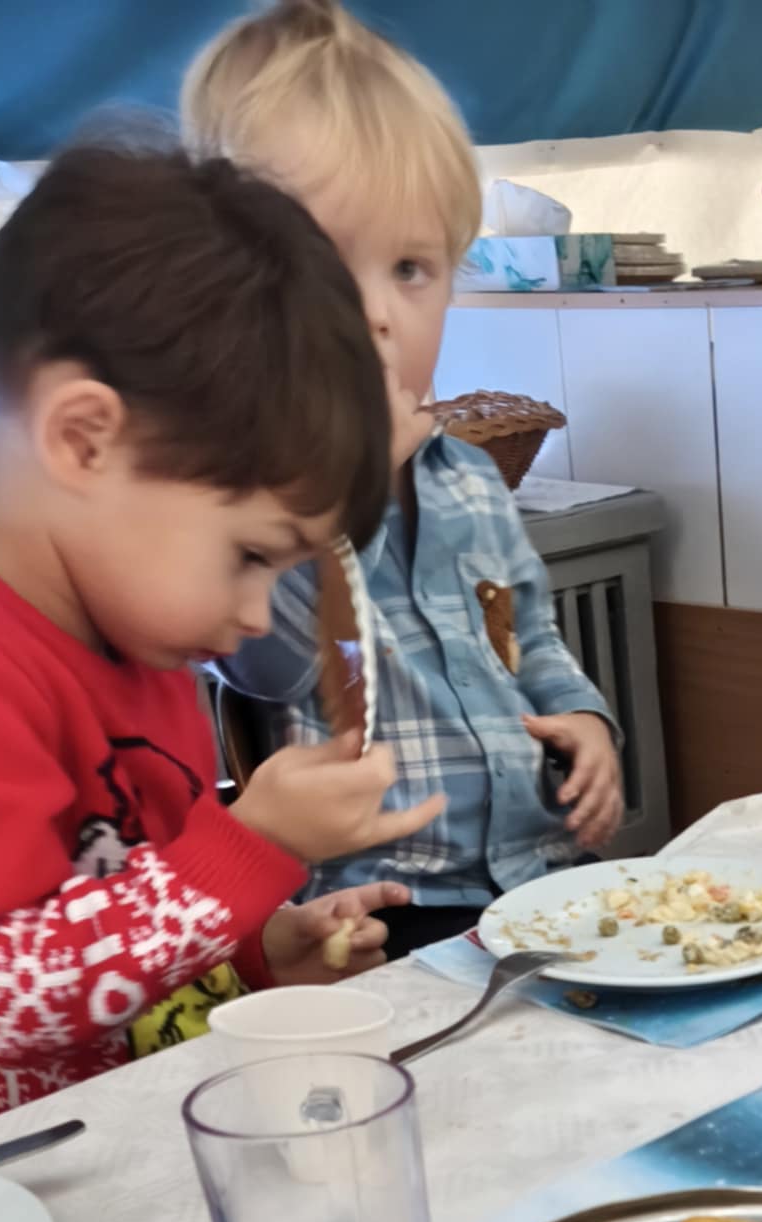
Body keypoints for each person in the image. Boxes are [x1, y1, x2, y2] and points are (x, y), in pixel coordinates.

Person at [0, 143, 442, 1137]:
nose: (253, 615)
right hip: (34, 1191)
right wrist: (253, 847)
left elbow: (130, 932)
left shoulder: (143, 643)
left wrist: (261, 948)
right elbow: (1, 998)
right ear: (83, 439)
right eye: (249, 555)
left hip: (166, 1134)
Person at [182, 0, 625, 959]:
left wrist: (585, 719)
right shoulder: (248, 510)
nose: (378, 315)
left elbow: (529, 637)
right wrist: (341, 483)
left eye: (412, 268)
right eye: (325, 269)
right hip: (384, 911)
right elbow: (271, 666)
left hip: (540, 875)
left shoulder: (468, 478)